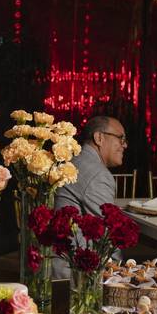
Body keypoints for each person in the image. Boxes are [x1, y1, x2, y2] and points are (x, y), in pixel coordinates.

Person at [52, 115, 127, 278]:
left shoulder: (74, 160)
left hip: (55, 263)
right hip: (73, 273)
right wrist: (120, 277)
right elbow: (109, 236)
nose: (125, 145)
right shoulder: (98, 174)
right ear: (99, 137)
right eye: (121, 138)